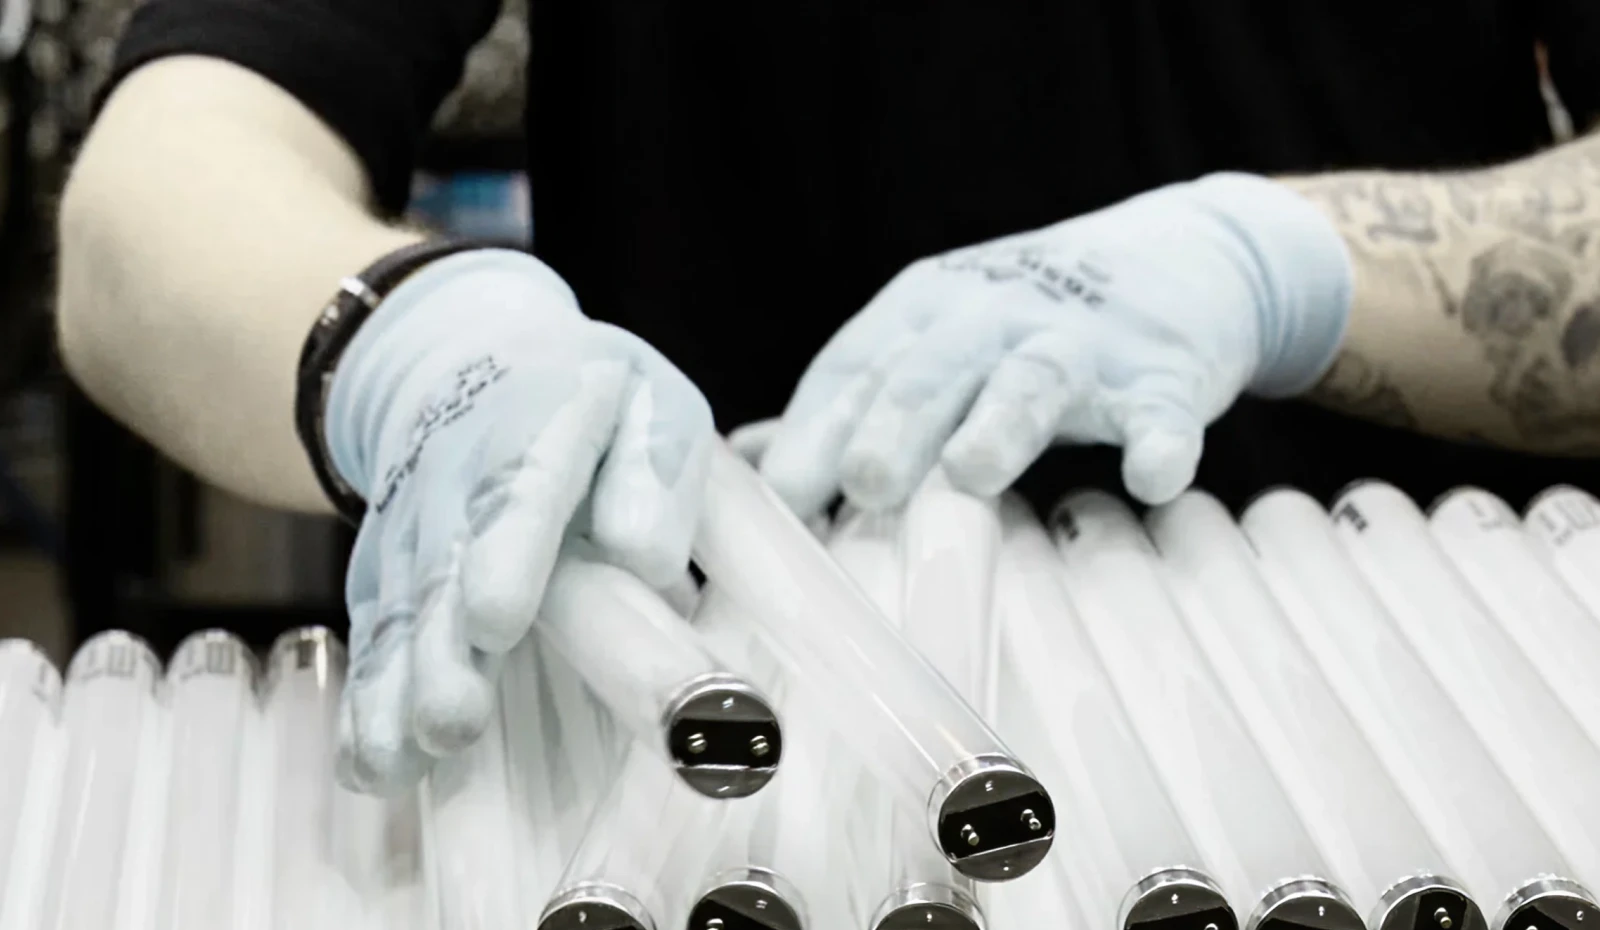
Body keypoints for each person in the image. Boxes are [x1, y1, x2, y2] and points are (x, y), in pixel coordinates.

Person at [55, 3, 1600, 795]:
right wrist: (413, 346)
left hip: (1411, 768)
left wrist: (1293, 267)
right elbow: (157, 194)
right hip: (715, 803)